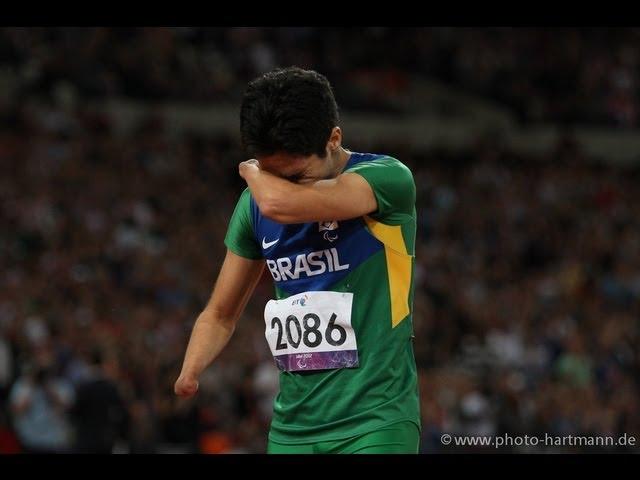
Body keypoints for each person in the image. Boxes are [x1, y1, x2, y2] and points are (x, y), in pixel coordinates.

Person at [175, 66, 421, 454]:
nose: (281, 185)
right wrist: (190, 370)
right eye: (273, 174)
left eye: (297, 175)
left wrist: (252, 170)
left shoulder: (387, 179)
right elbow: (220, 313)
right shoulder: (253, 205)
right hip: (292, 430)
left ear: (334, 139)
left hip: (376, 423)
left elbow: (279, 203)